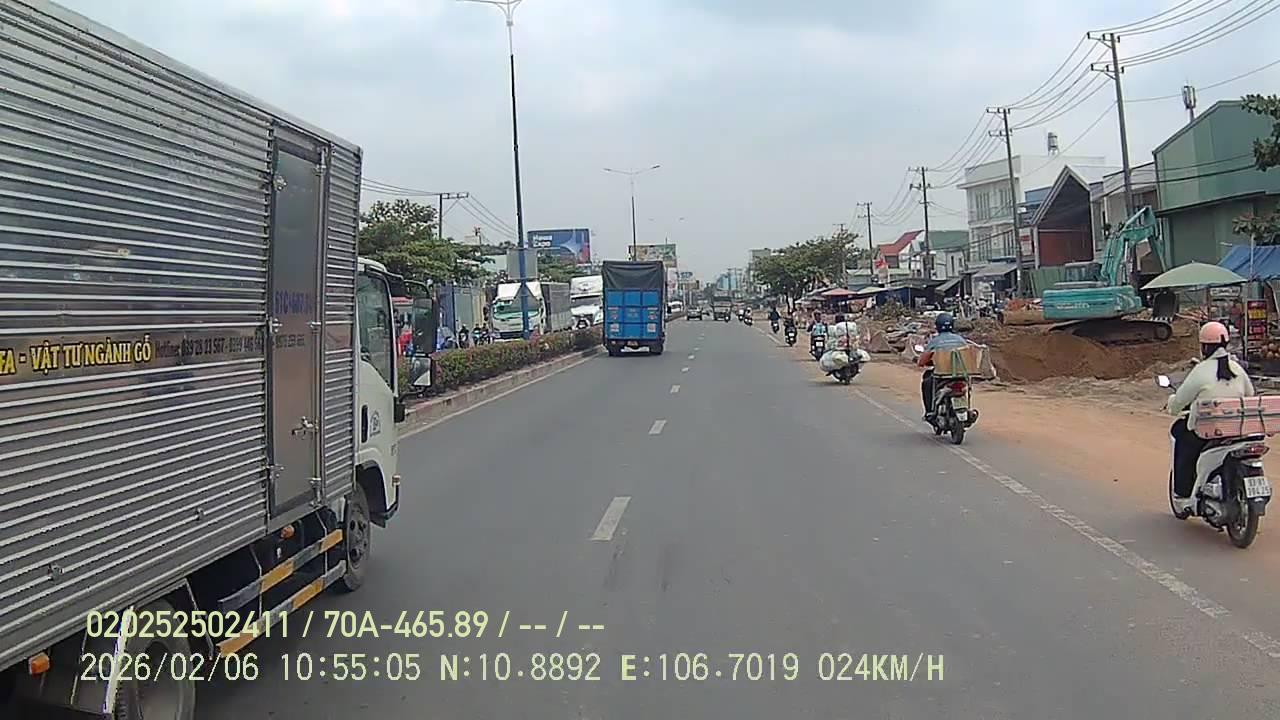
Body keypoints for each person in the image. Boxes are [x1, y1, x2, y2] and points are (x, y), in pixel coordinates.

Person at [1166, 321, 1254, 499]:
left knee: (1180, 434)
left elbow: (1180, 400)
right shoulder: (1237, 368)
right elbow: (1250, 395)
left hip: (1207, 433)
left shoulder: (1201, 370)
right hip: (1237, 431)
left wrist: (1172, 405)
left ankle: (1182, 491)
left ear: (1204, 347)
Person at [916, 312, 969, 420]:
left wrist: (922, 361)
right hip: (960, 374)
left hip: (942, 375)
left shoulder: (935, 341)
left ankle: (929, 411)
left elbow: (922, 362)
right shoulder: (961, 340)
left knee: (927, 382)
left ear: (937, 326)